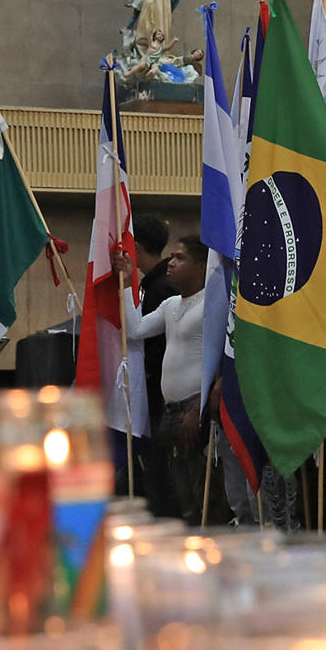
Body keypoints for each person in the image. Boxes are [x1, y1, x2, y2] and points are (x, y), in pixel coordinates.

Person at [116, 236, 225, 526]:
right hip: (171, 410)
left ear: (202, 266)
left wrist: (199, 409)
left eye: (179, 257)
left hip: (196, 409)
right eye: (171, 256)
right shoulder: (170, 304)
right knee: (182, 496)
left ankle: (213, 551)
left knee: (207, 495)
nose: (171, 263)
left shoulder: (214, 303)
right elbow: (134, 330)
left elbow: (222, 357)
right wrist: (127, 284)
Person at [133, 213, 177, 514]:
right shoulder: (154, 285)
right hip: (156, 389)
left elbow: (154, 342)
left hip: (162, 394)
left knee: (162, 471)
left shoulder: (162, 288)